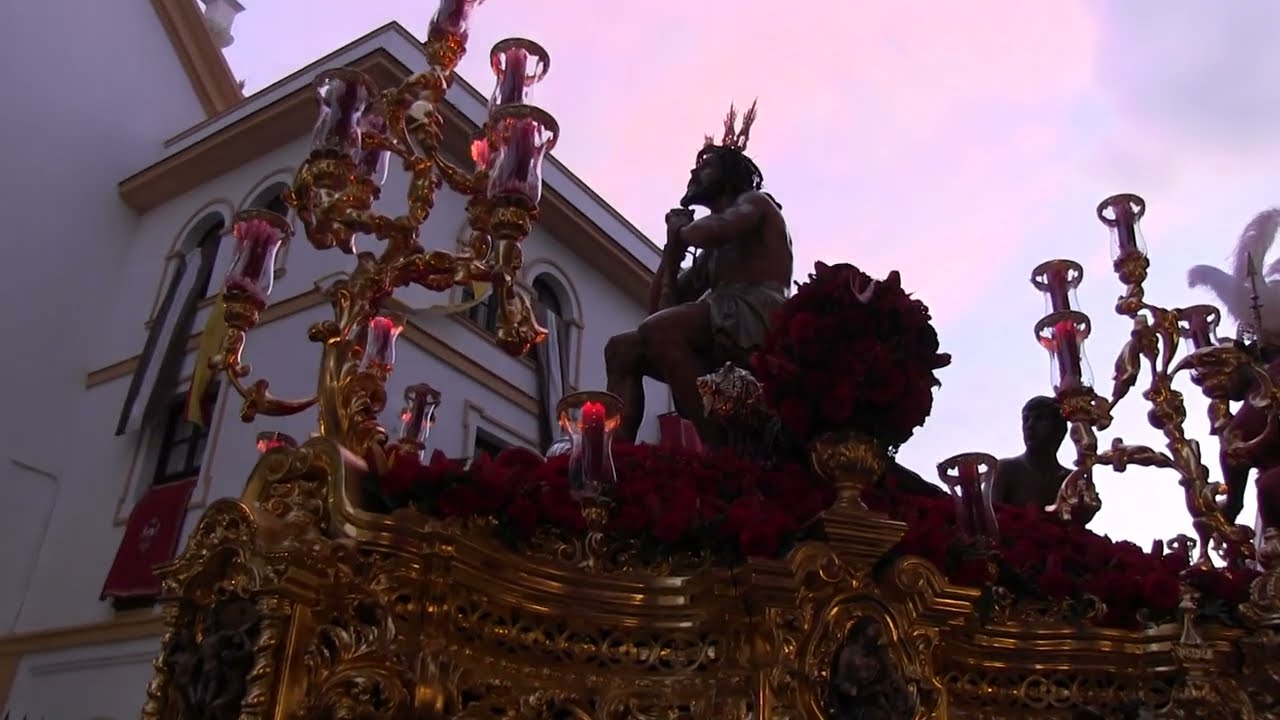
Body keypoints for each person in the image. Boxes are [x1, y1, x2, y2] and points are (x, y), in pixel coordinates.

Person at [605, 102, 793, 443]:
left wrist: (680, 235)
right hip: (724, 314)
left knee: (661, 331)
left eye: (706, 168)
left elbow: (717, 229)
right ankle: (614, 460)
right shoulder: (708, 257)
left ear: (729, 174)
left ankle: (719, 446)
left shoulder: (755, 204)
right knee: (623, 348)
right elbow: (657, 313)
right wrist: (671, 254)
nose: (694, 175)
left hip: (757, 311)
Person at [993, 396, 1076, 513]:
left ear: (1059, 429)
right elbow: (986, 519)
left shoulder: (1070, 480)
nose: (1029, 426)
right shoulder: (1005, 469)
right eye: (1026, 420)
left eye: (1040, 419)